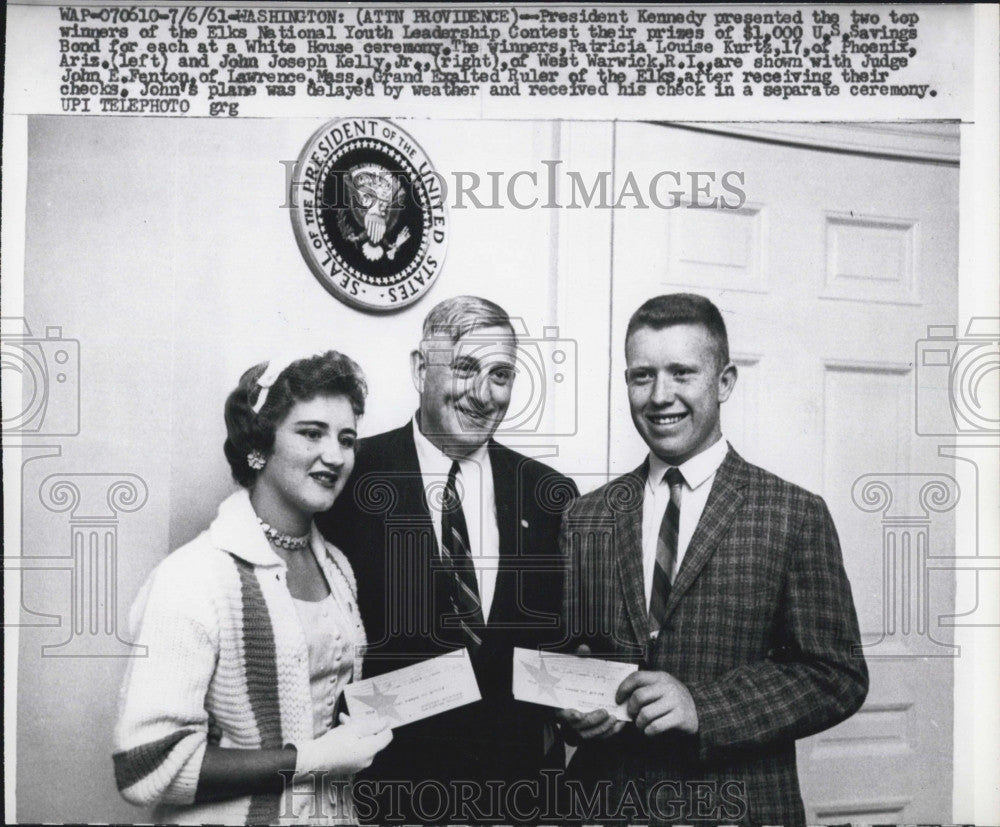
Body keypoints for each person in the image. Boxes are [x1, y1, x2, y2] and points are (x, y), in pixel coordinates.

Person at [556, 294, 868, 826]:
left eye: (682, 373)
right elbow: (564, 653)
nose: (660, 396)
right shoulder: (585, 517)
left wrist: (705, 707)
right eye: (641, 376)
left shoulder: (793, 514)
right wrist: (565, 706)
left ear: (723, 382)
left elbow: (837, 675)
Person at [319, 295, 578, 823]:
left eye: (501, 374)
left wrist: (580, 697)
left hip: (524, 800)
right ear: (420, 369)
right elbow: (317, 663)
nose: (484, 394)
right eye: (464, 368)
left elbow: (559, 648)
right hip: (391, 802)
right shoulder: (349, 478)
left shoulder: (547, 492)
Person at [113, 351, 392, 825]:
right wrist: (315, 758)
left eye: (347, 439)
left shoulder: (339, 568)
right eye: (311, 433)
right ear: (259, 444)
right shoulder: (196, 575)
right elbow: (146, 766)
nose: (335, 455)